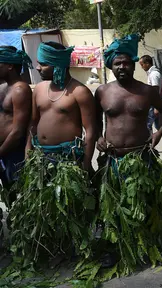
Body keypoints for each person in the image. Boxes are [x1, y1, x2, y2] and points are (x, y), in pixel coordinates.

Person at [95, 34, 162, 274]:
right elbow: (94, 122)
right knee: (113, 207)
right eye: (117, 63)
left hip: (142, 157)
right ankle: (114, 249)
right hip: (113, 159)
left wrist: (159, 133)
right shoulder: (102, 92)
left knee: (146, 204)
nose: (122, 67)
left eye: (126, 63)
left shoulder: (147, 91)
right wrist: (98, 139)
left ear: (134, 65)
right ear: (111, 66)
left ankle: (152, 246)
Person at [8, 41, 97, 264]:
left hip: (69, 158)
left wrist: (86, 162)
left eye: (43, 64)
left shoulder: (79, 92)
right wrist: (29, 151)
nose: (38, 68)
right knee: (46, 205)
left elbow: (92, 130)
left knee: (72, 204)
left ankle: (79, 247)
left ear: (57, 64)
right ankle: (55, 247)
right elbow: (32, 123)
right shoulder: (38, 89)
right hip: (42, 157)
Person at [0, 46, 32, 207]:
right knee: (7, 194)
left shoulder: (20, 89)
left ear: (10, 66)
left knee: (17, 195)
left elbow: (18, 130)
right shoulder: (3, 87)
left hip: (13, 152)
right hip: (2, 151)